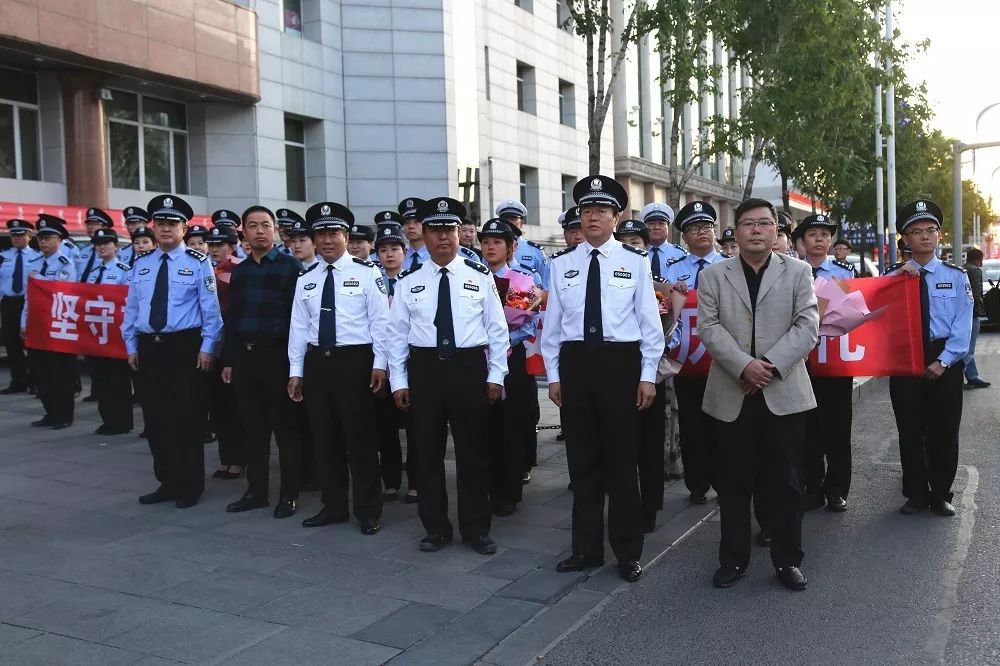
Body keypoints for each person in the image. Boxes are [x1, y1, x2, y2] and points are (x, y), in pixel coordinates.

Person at [542, 175, 663, 583]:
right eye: (586, 211)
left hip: (620, 365)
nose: (593, 217)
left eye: (601, 211)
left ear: (616, 217)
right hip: (577, 365)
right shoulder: (562, 265)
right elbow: (552, 329)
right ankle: (585, 549)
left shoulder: (635, 263)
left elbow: (650, 326)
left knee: (621, 463)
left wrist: (647, 376)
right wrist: (554, 376)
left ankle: (627, 551)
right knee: (582, 462)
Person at [698, 197, 819, 592]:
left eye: (764, 223)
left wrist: (765, 365)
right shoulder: (714, 275)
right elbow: (709, 328)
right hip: (731, 394)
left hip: (783, 392)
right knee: (732, 483)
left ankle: (788, 561)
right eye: (748, 224)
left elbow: (807, 326)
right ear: (736, 231)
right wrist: (743, 366)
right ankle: (733, 559)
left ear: (775, 230)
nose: (756, 230)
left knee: (785, 483)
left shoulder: (799, 272)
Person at [388, 197, 509, 555]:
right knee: (426, 454)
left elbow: (498, 331)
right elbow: (396, 335)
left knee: (473, 454)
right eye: (436, 230)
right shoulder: (409, 282)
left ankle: (476, 529)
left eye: (450, 230)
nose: (443, 237)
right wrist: (399, 381)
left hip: (468, 368)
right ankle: (435, 528)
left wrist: (496, 376)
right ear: (423, 235)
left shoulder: (479, 277)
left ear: (460, 234)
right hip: (424, 370)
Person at [287, 201, 389, 534]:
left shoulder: (367, 272)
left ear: (346, 236)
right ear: (314, 239)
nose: (327, 240)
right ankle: (333, 507)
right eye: (321, 234)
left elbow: (381, 323)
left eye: (333, 233)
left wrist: (380, 365)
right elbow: (299, 327)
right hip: (318, 363)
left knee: (359, 440)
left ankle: (368, 511)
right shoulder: (307, 278)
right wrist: (296, 371)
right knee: (324, 439)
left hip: (355, 362)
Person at [123, 195, 223, 509]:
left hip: (185, 348)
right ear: (153, 227)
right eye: (161, 223)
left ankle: (190, 486)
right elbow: (131, 309)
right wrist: (130, 345)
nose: (165, 229)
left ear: (183, 228)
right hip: (149, 348)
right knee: (155, 418)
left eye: (172, 224)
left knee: (186, 417)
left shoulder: (197, 262)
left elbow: (212, 312)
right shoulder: (142, 263)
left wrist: (208, 347)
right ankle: (166, 481)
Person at [885, 200, 972, 517]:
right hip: (905, 358)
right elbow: (873, 316)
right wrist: (894, 281)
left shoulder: (956, 276)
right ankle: (916, 493)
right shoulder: (892, 276)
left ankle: (941, 494)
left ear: (939, 234)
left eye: (930, 230)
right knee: (909, 430)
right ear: (905, 239)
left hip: (943, 358)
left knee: (944, 430)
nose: (924, 236)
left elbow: (963, 326)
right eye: (916, 232)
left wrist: (944, 360)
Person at [221, 206, 303, 519]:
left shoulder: (290, 267)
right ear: (243, 231)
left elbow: (298, 320)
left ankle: (289, 495)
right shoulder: (240, 272)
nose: (259, 231)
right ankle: (256, 492)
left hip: (277, 358)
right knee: (253, 429)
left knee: (285, 431)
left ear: (274, 230)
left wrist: (295, 367)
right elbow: (233, 318)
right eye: (253, 225)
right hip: (245, 358)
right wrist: (229, 359)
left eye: (265, 225)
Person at [663, 201, 727, 506]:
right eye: (693, 229)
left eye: (706, 227)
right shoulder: (672, 271)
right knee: (691, 423)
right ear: (684, 238)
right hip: (685, 360)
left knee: (722, 421)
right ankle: (697, 483)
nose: (701, 233)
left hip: (723, 360)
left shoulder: (730, 266)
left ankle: (723, 478)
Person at [479, 218, 541, 516]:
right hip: (478, 358)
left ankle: (509, 490)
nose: (490, 247)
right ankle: (488, 487)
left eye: (497, 242)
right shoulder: (473, 276)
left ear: (511, 247)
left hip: (510, 356)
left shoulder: (522, 280)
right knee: (484, 425)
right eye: (486, 242)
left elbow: (530, 323)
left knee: (510, 424)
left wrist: (503, 339)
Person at [614, 217, 669, 533]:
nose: (631, 247)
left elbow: (667, 326)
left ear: (647, 247)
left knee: (650, 442)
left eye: (637, 242)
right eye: (625, 242)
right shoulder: (610, 275)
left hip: (652, 370)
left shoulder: (659, 281)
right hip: (618, 370)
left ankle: (650, 505)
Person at [798, 213, 855, 512]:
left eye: (825, 234)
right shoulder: (791, 271)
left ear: (832, 241)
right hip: (800, 363)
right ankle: (811, 487)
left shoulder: (845, 273)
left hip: (836, 361)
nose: (819, 239)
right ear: (802, 241)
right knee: (808, 429)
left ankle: (837, 489)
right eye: (812, 234)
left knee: (838, 427)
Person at [373, 223, 418, 503]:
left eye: (394, 249)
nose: (389, 255)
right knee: (384, 426)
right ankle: (390, 481)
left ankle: (415, 483)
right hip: (381, 364)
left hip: (411, 363)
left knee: (416, 427)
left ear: (404, 252)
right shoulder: (372, 281)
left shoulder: (414, 281)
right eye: (383, 250)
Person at [20, 215, 78, 428]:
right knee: (41, 371)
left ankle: (64, 415)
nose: (43, 242)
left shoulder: (66, 264)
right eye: (41, 238)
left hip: (58, 325)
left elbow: (63, 293)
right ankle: (50, 412)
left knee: (60, 372)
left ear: (60, 240)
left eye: (48, 238)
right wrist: (23, 322)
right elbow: (29, 295)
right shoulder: (33, 263)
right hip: (37, 325)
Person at [205, 223, 246, 480]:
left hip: (233, 344)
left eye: (220, 245)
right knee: (217, 405)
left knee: (235, 406)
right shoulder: (204, 268)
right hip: (210, 346)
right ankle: (225, 457)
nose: (215, 249)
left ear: (232, 246)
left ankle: (239, 458)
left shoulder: (240, 271)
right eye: (211, 245)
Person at [84, 228, 134, 435]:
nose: (102, 247)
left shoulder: (124, 270)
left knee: (118, 379)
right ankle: (107, 418)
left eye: (106, 243)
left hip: (116, 334)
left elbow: (128, 302)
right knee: (101, 378)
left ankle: (121, 421)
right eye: (98, 244)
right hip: (97, 333)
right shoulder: (93, 273)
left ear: (116, 246)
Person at [0, 219, 40, 394]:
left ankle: (35, 381)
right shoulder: (3, 256)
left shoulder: (37, 257)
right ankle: (18, 381)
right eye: (13, 235)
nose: (16, 238)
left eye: (20, 234)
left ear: (29, 236)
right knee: (12, 343)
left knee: (31, 344)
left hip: (28, 302)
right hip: (8, 302)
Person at [497, 199, 548, 284]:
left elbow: (545, 284)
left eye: (513, 219)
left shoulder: (535, 251)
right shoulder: (490, 248)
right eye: (505, 219)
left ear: (521, 223)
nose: (509, 222)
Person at [962, 248, 990, 389]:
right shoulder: (976, 270)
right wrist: (982, 311)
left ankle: (972, 376)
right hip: (972, 314)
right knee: (969, 349)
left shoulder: (962, 269)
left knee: (967, 347)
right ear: (980, 259)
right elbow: (977, 293)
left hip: (962, 313)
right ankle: (958, 379)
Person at [640, 202, 687, 279]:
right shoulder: (638, 252)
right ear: (645, 227)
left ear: (668, 227)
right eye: (651, 223)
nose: (656, 227)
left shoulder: (681, 254)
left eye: (661, 224)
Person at [76, 208, 114, 283]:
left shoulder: (112, 251)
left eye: (94, 224)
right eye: (88, 224)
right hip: (81, 292)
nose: (90, 227)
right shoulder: (84, 251)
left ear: (105, 227)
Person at [399, 197, 429, 270]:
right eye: (407, 223)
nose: (411, 226)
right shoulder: (399, 257)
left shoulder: (436, 256)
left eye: (416, 222)